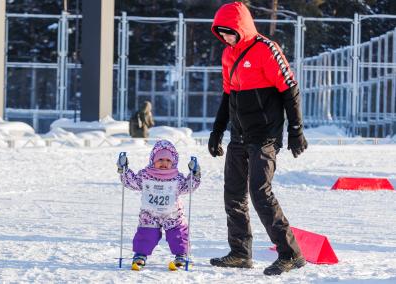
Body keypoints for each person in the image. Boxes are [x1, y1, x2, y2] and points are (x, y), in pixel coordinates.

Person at [208, 2, 308, 276]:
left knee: (260, 192)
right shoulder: (228, 55)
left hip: (264, 135)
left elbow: (290, 89)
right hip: (239, 134)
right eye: (222, 33)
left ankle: (290, 253)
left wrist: (296, 129)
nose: (226, 38)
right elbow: (228, 95)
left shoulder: (266, 49)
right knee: (233, 192)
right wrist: (217, 130)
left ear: (242, 27)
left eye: (230, 32)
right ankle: (240, 253)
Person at [117, 139, 201, 270]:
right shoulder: (145, 175)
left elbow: (187, 187)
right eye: (160, 160)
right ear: (153, 161)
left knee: (178, 234)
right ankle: (140, 254)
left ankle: (181, 255)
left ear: (173, 162)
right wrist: (124, 170)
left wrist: (194, 175)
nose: (164, 163)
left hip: (172, 213)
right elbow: (132, 182)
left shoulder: (177, 177)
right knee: (146, 234)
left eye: (168, 161)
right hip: (150, 214)